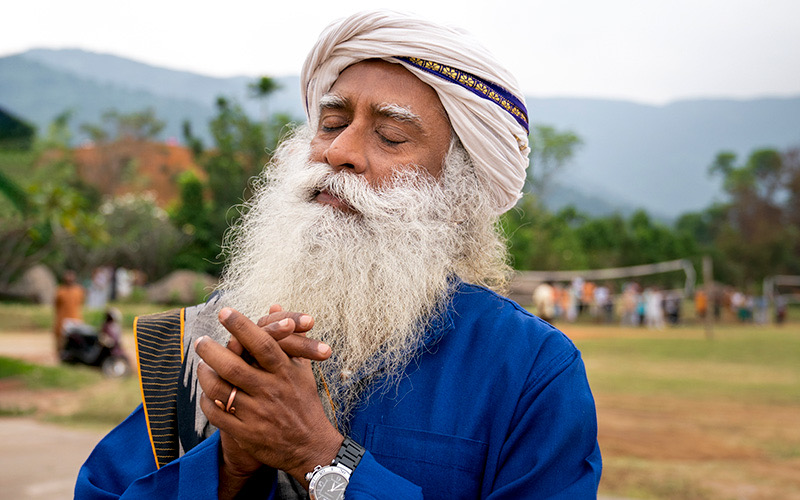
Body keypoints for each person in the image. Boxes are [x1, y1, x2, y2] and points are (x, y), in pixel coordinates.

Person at [76, 10, 602, 499]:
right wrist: (230, 467)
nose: (339, 152)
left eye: (390, 136)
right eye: (331, 123)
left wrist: (319, 457)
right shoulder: (221, 338)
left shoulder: (531, 370)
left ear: (460, 195)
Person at [53, 269, 85, 353]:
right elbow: (56, 304)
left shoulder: (79, 290)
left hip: (75, 318)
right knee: (61, 339)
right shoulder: (60, 290)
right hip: (62, 319)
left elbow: (81, 302)